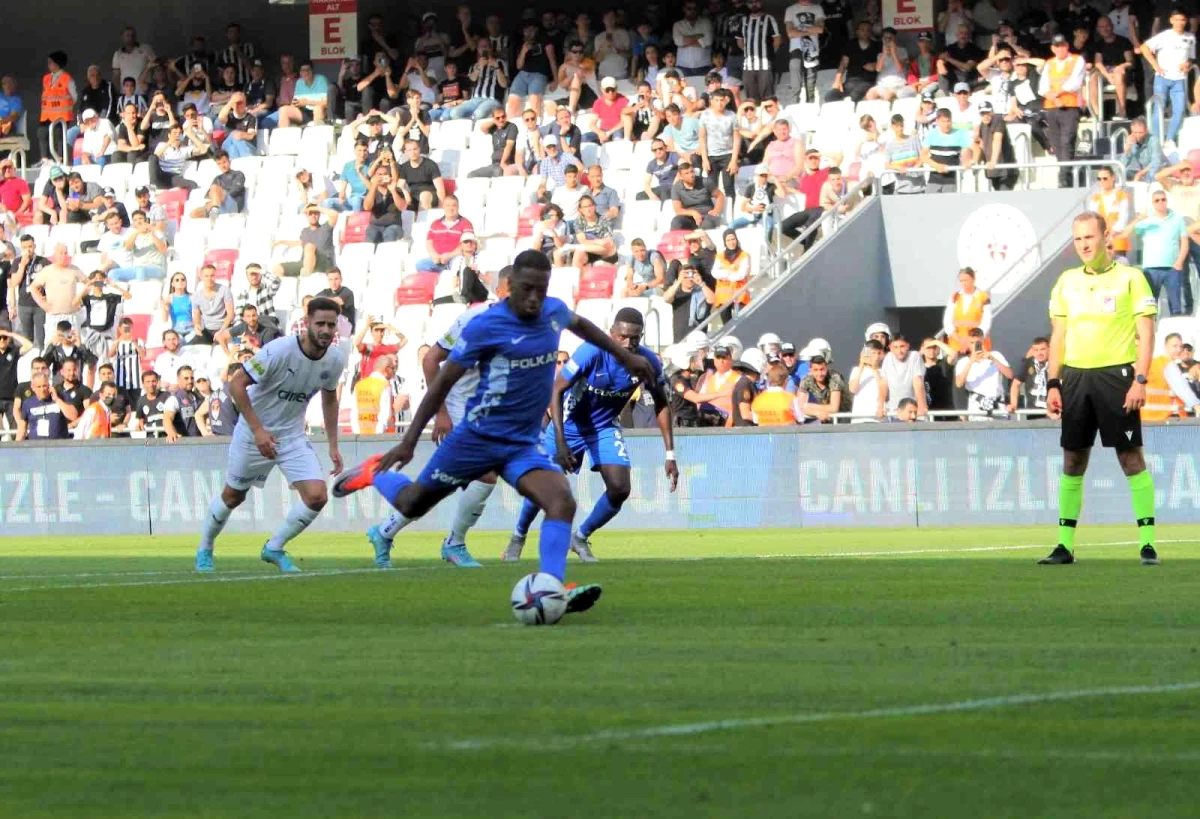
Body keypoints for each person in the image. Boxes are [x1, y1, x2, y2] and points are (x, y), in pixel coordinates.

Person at [331, 251, 656, 615]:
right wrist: (409, 441)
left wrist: (625, 356)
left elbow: (584, 327)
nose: (535, 297)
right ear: (510, 286)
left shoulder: (553, 311)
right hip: (477, 438)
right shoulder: (486, 326)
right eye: (527, 289)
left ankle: (552, 587)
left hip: (520, 443)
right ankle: (375, 472)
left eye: (542, 289)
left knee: (561, 500)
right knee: (412, 503)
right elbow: (442, 381)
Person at [507, 307, 677, 561]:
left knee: (620, 488)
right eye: (623, 336)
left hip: (604, 427)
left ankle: (580, 537)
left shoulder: (648, 362)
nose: (628, 343)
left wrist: (670, 453)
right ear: (612, 333)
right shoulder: (591, 352)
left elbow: (662, 403)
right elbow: (557, 390)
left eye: (635, 338)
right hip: (570, 424)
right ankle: (518, 537)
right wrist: (561, 442)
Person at [1040, 211, 1160, 566]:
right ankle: (1064, 545)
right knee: (1073, 459)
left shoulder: (1131, 278)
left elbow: (1147, 333)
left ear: (1106, 236)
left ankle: (1148, 544)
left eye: (1089, 237)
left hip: (1117, 377)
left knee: (1130, 457)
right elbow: (1058, 336)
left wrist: (1140, 378)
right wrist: (1053, 383)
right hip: (1075, 378)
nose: (1084, 245)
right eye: (1077, 239)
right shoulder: (1066, 281)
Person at [194, 297, 349, 574]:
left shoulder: (335, 359)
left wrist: (333, 445)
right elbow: (236, 384)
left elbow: (329, 400)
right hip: (254, 432)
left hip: (290, 435)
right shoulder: (279, 350)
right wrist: (257, 430)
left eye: (331, 325)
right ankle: (205, 547)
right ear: (307, 322)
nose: (326, 330)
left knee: (316, 496)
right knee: (233, 497)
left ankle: (274, 548)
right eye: (320, 324)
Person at [1119, 188, 1189, 316]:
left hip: (1172, 268)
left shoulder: (1178, 219)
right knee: (1150, 306)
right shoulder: (1146, 221)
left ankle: (1176, 334)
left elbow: (1184, 243)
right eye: (1157, 200)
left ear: (1167, 201)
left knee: (1176, 306)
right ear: (1152, 203)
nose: (1160, 202)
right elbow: (1125, 234)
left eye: (1163, 199)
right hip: (1151, 269)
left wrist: (1179, 262)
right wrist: (1138, 218)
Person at [1140, 10, 1194, 146]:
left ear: (1186, 21)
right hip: (1162, 77)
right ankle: (1155, 139)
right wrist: (1155, 65)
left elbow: (1191, 58)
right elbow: (1144, 47)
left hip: (1179, 79)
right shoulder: (1164, 36)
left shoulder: (1190, 37)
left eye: (1182, 20)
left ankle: (1169, 139)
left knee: (1180, 110)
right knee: (1159, 108)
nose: (1179, 23)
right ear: (1171, 20)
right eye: (1176, 19)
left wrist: (1187, 64)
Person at [1039, 34, 1085, 188]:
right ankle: (1066, 174)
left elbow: (1075, 83)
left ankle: (1064, 177)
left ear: (1067, 46)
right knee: (1057, 143)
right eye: (1057, 46)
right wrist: (1053, 98)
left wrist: (1056, 95)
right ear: (1053, 48)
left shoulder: (1077, 60)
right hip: (1052, 106)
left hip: (1069, 105)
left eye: (1062, 45)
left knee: (1067, 141)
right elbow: (1042, 86)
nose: (1060, 48)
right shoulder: (1049, 63)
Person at [943, 267, 992, 354]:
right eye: (961, 281)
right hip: (957, 345)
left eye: (966, 280)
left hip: (977, 346)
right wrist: (961, 341)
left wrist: (972, 341)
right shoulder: (955, 297)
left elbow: (986, 323)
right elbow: (947, 323)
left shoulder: (983, 297)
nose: (963, 283)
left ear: (973, 279)